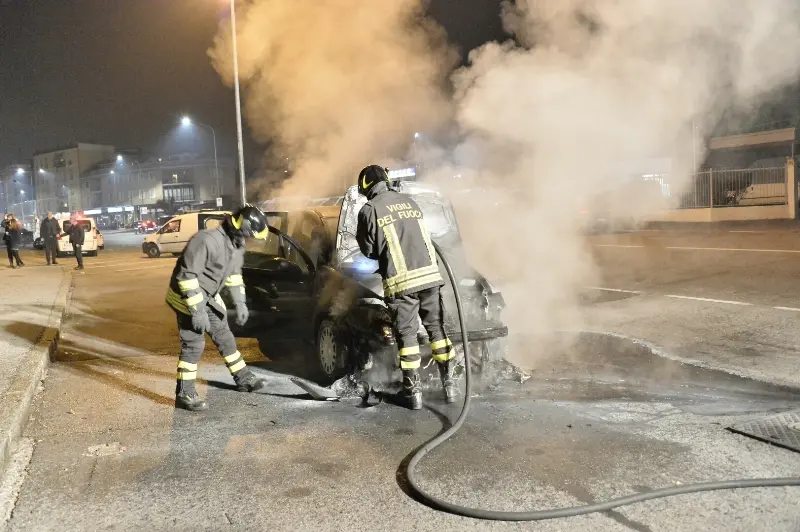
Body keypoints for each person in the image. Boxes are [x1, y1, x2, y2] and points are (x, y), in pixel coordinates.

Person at [355, 165, 457, 410]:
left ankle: (413, 394)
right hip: (431, 277)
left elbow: (368, 250)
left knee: (408, 337)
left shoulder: (369, 210)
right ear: (387, 181)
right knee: (437, 330)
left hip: (403, 284)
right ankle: (451, 387)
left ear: (366, 186)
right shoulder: (410, 202)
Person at [165, 204, 270, 411]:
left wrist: (240, 302)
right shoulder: (205, 241)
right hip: (185, 296)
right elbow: (186, 277)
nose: (249, 241)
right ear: (242, 228)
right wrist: (196, 310)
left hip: (207, 296)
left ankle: (243, 378)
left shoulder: (236, 246)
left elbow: (234, 276)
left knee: (225, 336)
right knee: (194, 344)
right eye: (249, 236)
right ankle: (185, 394)